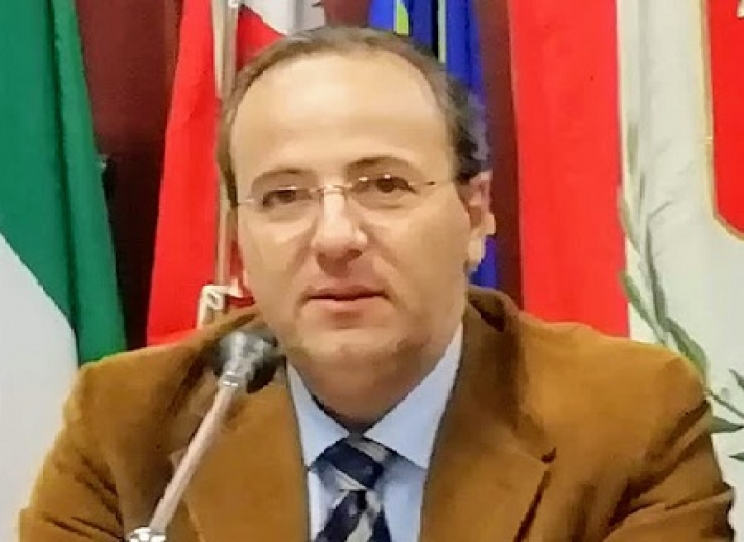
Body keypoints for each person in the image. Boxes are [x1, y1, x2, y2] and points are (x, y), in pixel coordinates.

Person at [19, 26, 733, 541]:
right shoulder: (129, 424)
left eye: (385, 185)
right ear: (239, 242)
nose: (335, 238)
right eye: (284, 196)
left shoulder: (627, 418)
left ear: (474, 214)